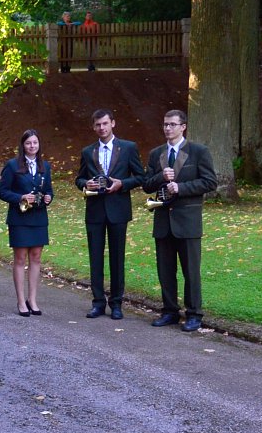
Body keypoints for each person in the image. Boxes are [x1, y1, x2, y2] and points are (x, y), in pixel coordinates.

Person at [143, 109, 217, 332]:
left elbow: (210, 182)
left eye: (172, 124)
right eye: (165, 124)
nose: (168, 128)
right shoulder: (156, 154)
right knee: (165, 271)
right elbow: (146, 184)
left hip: (188, 221)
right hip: (163, 221)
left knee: (191, 271)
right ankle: (170, 311)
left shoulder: (199, 151)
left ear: (183, 127)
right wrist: (161, 177)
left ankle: (194, 314)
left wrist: (181, 188)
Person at [75, 109, 145, 321]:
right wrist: (86, 183)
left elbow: (140, 177)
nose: (102, 128)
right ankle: (98, 303)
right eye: (98, 124)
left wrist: (122, 183)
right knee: (95, 259)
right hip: (95, 211)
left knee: (117, 259)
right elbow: (79, 179)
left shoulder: (128, 148)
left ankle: (116, 304)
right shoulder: (88, 151)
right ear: (93, 127)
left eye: (105, 123)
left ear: (113, 123)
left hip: (118, 210)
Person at [0, 130, 53, 316]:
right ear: (23, 145)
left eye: (35, 143)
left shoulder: (45, 166)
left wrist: (48, 198)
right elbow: (2, 192)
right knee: (20, 258)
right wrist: (20, 197)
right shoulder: (12, 165)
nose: (32, 146)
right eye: (28, 143)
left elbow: (49, 191)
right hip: (19, 218)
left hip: (39, 218)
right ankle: (21, 301)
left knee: (36, 257)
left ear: (39, 144)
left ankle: (32, 299)